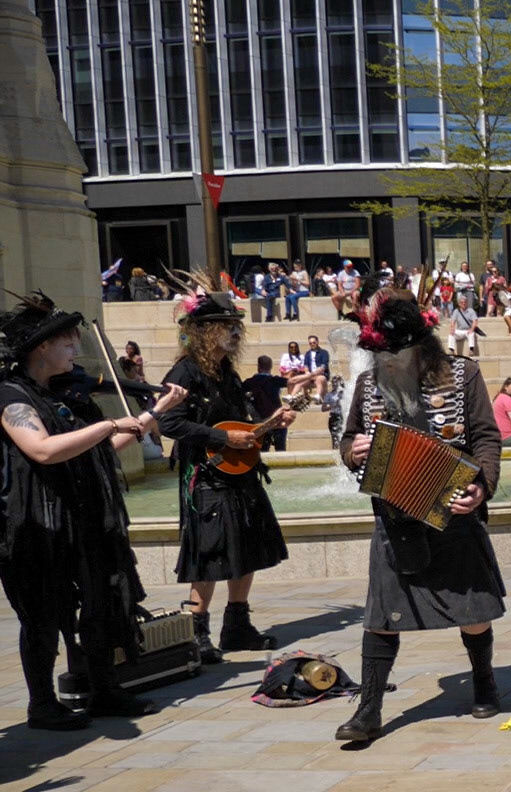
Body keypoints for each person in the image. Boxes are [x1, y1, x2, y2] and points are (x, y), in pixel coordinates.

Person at [0, 293, 187, 729]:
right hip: (38, 523)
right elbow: (42, 450)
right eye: (67, 341)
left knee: (100, 603)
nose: (75, 348)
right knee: (44, 614)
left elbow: (103, 449)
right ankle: (42, 704)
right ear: (41, 347)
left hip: (83, 517)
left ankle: (103, 689)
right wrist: (107, 424)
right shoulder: (11, 396)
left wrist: (155, 411)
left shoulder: (65, 394)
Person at [331, 292, 507, 743]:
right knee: (379, 615)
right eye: (383, 354)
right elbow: (348, 438)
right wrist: (353, 451)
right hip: (394, 515)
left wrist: (482, 485)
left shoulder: (463, 374)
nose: (389, 361)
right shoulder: (369, 383)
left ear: (421, 347)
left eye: (398, 353)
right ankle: (369, 709)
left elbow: (486, 436)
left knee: (473, 610)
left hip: (453, 509)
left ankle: (484, 680)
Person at [158, 289, 296, 663]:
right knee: (209, 551)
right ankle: (196, 631)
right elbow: (168, 422)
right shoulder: (185, 372)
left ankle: (237, 626)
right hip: (206, 476)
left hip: (239, 472)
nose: (235, 332)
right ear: (204, 331)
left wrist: (271, 423)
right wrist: (221, 438)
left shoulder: (227, 373)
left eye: (236, 326)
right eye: (226, 325)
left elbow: (242, 425)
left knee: (247, 544)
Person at [304, 334, 332, 398]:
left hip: (321, 374)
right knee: (297, 379)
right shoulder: (307, 353)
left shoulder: (324, 352)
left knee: (319, 379)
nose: (312, 344)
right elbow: (306, 365)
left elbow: (323, 366)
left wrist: (314, 374)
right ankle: (294, 396)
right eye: (310, 343)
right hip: (310, 375)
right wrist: (307, 373)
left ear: (317, 342)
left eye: (314, 342)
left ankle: (317, 396)